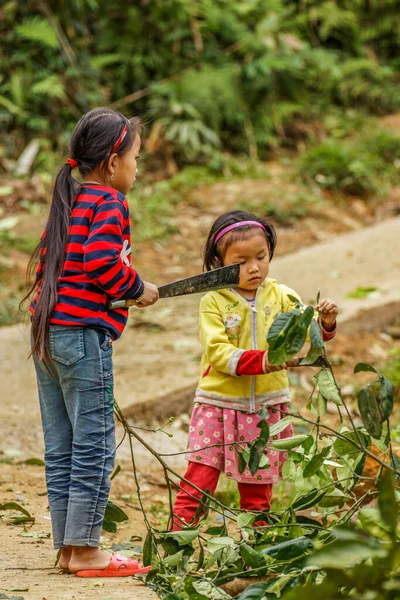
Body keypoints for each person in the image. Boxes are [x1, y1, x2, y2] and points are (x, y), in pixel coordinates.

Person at [23, 108, 158, 577]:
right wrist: (136, 288)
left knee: (62, 446)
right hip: (81, 338)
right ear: (112, 162)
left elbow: (56, 270)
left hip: (48, 338)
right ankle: (85, 551)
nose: (137, 168)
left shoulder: (70, 203)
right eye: (136, 157)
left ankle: (68, 547)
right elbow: (102, 261)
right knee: (95, 445)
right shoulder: (109, 203)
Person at [172, 210, 338, 529]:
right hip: (216, 405)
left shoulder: (282, 296)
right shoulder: (214, 301)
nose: (254, 267)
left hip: (264, 412)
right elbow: (219, 353)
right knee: (198, 483)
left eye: (261, 257)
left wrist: (326, 322)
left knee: (257, 496)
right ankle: (169, 554)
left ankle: (253, 567)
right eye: (242, 260)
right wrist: (265, 361)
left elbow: (307, 329)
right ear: (219, 263)